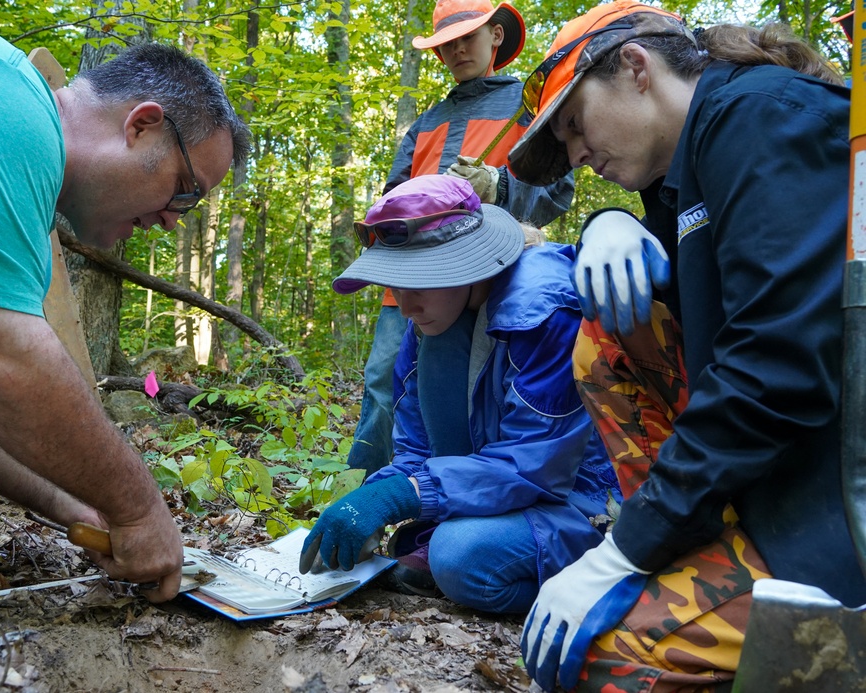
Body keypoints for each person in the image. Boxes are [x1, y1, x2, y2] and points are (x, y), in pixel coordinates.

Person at [505, 1, 866, 690]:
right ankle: (691, 547)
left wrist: (621, 552)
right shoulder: (689, 164)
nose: (577, 156)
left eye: (576, 125)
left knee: (595, 653)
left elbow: (775, 370)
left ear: (636, 67)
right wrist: (610, 220)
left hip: (836, 513)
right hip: (775, 489)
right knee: (605, 327)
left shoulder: (760, 118)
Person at [0, 21, 250, 602]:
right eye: (185, 191)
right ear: (142, 125)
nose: (173, 220)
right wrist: (141, 511)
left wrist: (78, 504)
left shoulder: (15, 200)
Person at [299, 174, 619, 614]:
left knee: (460, 558)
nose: (405, 306)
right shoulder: (431, 321)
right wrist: (379, 495)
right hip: (506, 492)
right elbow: (414, 446)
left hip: (588, 499)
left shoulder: (543, 311)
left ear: (468, 265)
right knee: (443, 547)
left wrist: (403, 496)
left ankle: (609, 598)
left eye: (419, 284)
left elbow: (536, 465)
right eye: (395, 286)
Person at [348, 0, 576, 477]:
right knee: (385, 381)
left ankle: (459, 489)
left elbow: (557, 189)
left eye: (465, 38)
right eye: (444, 44)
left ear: (496, 36)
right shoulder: (427, 120)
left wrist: (499, 186)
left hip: (490, 273)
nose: (454, 50)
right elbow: (393, 192)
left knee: (484, 383)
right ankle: (363, 491)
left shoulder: (526, 108)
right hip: (411, 270)